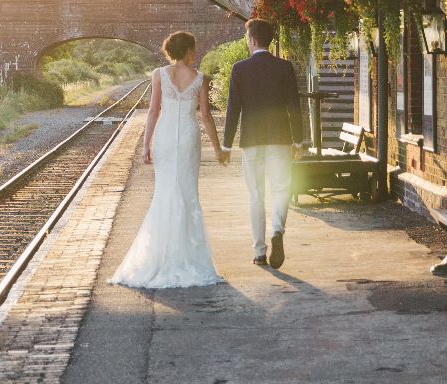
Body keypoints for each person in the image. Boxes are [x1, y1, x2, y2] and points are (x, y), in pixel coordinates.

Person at [110, 31, 229, 288]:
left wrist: (146, 145)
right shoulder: (200, 78)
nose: (195, 52)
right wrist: (218, 149)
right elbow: (206, 116)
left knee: (164, 193)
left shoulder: (159, 74)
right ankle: (189, 257)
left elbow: (153, 110)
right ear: (188, 50)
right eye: (193, 48)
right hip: (187, 137)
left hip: (164, 137)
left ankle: (160, 256)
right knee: (188, 194)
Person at [222, 18, 303, 269]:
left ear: (253, 39)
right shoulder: (284, 67)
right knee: (281, 189)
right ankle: (277, 229)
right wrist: (299, 140)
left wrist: (226, 145)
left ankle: (259, 252)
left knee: (255, 195)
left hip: (251, 141)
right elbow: (294, 106)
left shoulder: (239, 69)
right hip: (280, 139)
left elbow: (233, 109)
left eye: (247, 38)